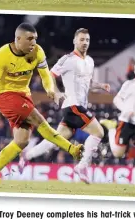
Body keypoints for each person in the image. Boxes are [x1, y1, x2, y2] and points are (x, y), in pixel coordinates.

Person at [0, 23, 83, 188]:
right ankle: (71, 149)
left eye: (35, 38)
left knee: (22, 141)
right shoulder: (2, 55)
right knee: (39, 121)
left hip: (24, 96)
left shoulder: (37, 51)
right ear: (18, 39)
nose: (33, 42)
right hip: (6, 96)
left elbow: (45, 75)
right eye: (29, 39)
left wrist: (49, 89)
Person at [19, 28, 110, 184]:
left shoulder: (90, 61)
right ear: (75, 41)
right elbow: (50, 75)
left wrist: (100, 85)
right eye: (81, 40)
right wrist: (56, 92)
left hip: (79, 107)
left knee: (55, 140)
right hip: (73, 105)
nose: (84, 43)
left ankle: (26, 156)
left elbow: (87, 84)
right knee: (99, 132)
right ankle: (82, 166)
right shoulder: (68, 59)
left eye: (87, 40)